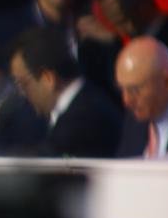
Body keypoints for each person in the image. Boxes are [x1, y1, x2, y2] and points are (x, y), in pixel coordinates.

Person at [9, 26, 121, 158]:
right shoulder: (88, 100)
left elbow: (46, 158)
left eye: (23, 84)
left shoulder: (82, 119)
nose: (22, 93)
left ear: (48, 78)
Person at [114, 36, 168, 158]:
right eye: (122, 89)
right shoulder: (135, 119)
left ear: (167, 82)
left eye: (134, 90)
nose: (127, 100)